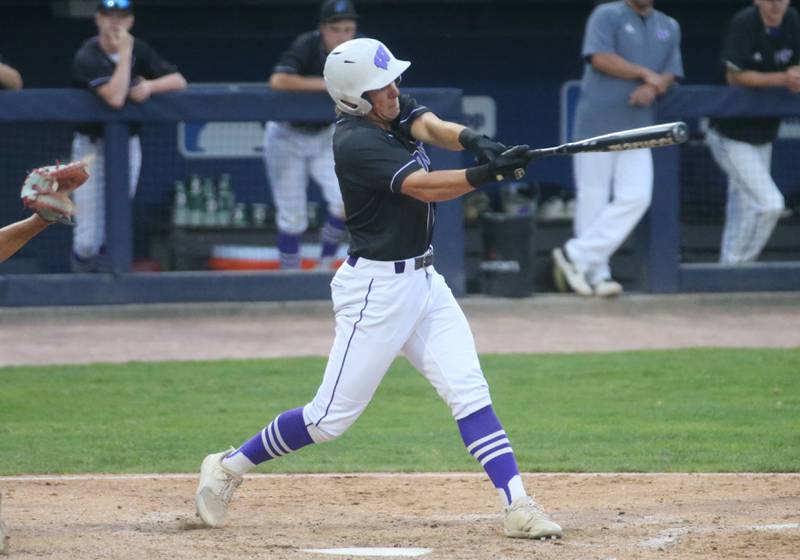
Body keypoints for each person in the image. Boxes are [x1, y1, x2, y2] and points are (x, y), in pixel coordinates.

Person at [195, 38, 562, 540]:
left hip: (425, 281)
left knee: (469, 391)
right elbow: (426, 187)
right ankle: (229, 466)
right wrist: (487, 175)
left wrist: (475, 141)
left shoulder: (387, 107)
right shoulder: (355, 142)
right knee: (328, 419)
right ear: (353, 99)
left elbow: (430, 126)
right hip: (376, 291)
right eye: (380, 88)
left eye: (392, 83)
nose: (393, 92)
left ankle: (518, 504)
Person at [553, 0, 683, 297]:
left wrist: (653, 86)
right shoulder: (607, 14)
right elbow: (599, 57)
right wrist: (644, 73)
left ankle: (576, 256)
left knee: (637, 196)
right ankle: (598, 274)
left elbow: (670, 71)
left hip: (638, 127)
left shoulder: (668, 25)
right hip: (597, 123)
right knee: (593, 199)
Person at [70, 0, 186, 272]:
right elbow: (115, 97)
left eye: (121, 16)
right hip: (89, 150)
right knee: (87, 239)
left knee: (115, 226)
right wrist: (125, 54)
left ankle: (107, 297)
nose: (115, 22)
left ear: (130, 21)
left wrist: (150, 86)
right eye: (109, 15)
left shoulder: (140, 49)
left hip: (126, 147)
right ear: (97, 19)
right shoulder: (88, 54)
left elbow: (179, 81)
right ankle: (80, 295)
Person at [264, 0, 358, 269]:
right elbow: (278, 80)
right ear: (323, 29)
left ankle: (324, 266)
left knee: (344, 202)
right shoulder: (308, 44)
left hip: (323, 136)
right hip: (286, 134)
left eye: (348, 29)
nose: (342, 36)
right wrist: (328, 85)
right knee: (292, 216)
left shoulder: (358, 50)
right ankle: (290, 277)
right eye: (336, 29)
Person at [706, 0, 800, 265]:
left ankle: (730, 267)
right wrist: (784, 78)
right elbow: (733, 76)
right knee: (771, 203)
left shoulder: (792, 20)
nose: (775, 5)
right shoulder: (745, 22)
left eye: (780, 0)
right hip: (730, 134)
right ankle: (739, 265)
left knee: (744, 208)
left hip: (763, 133)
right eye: (770, 0)